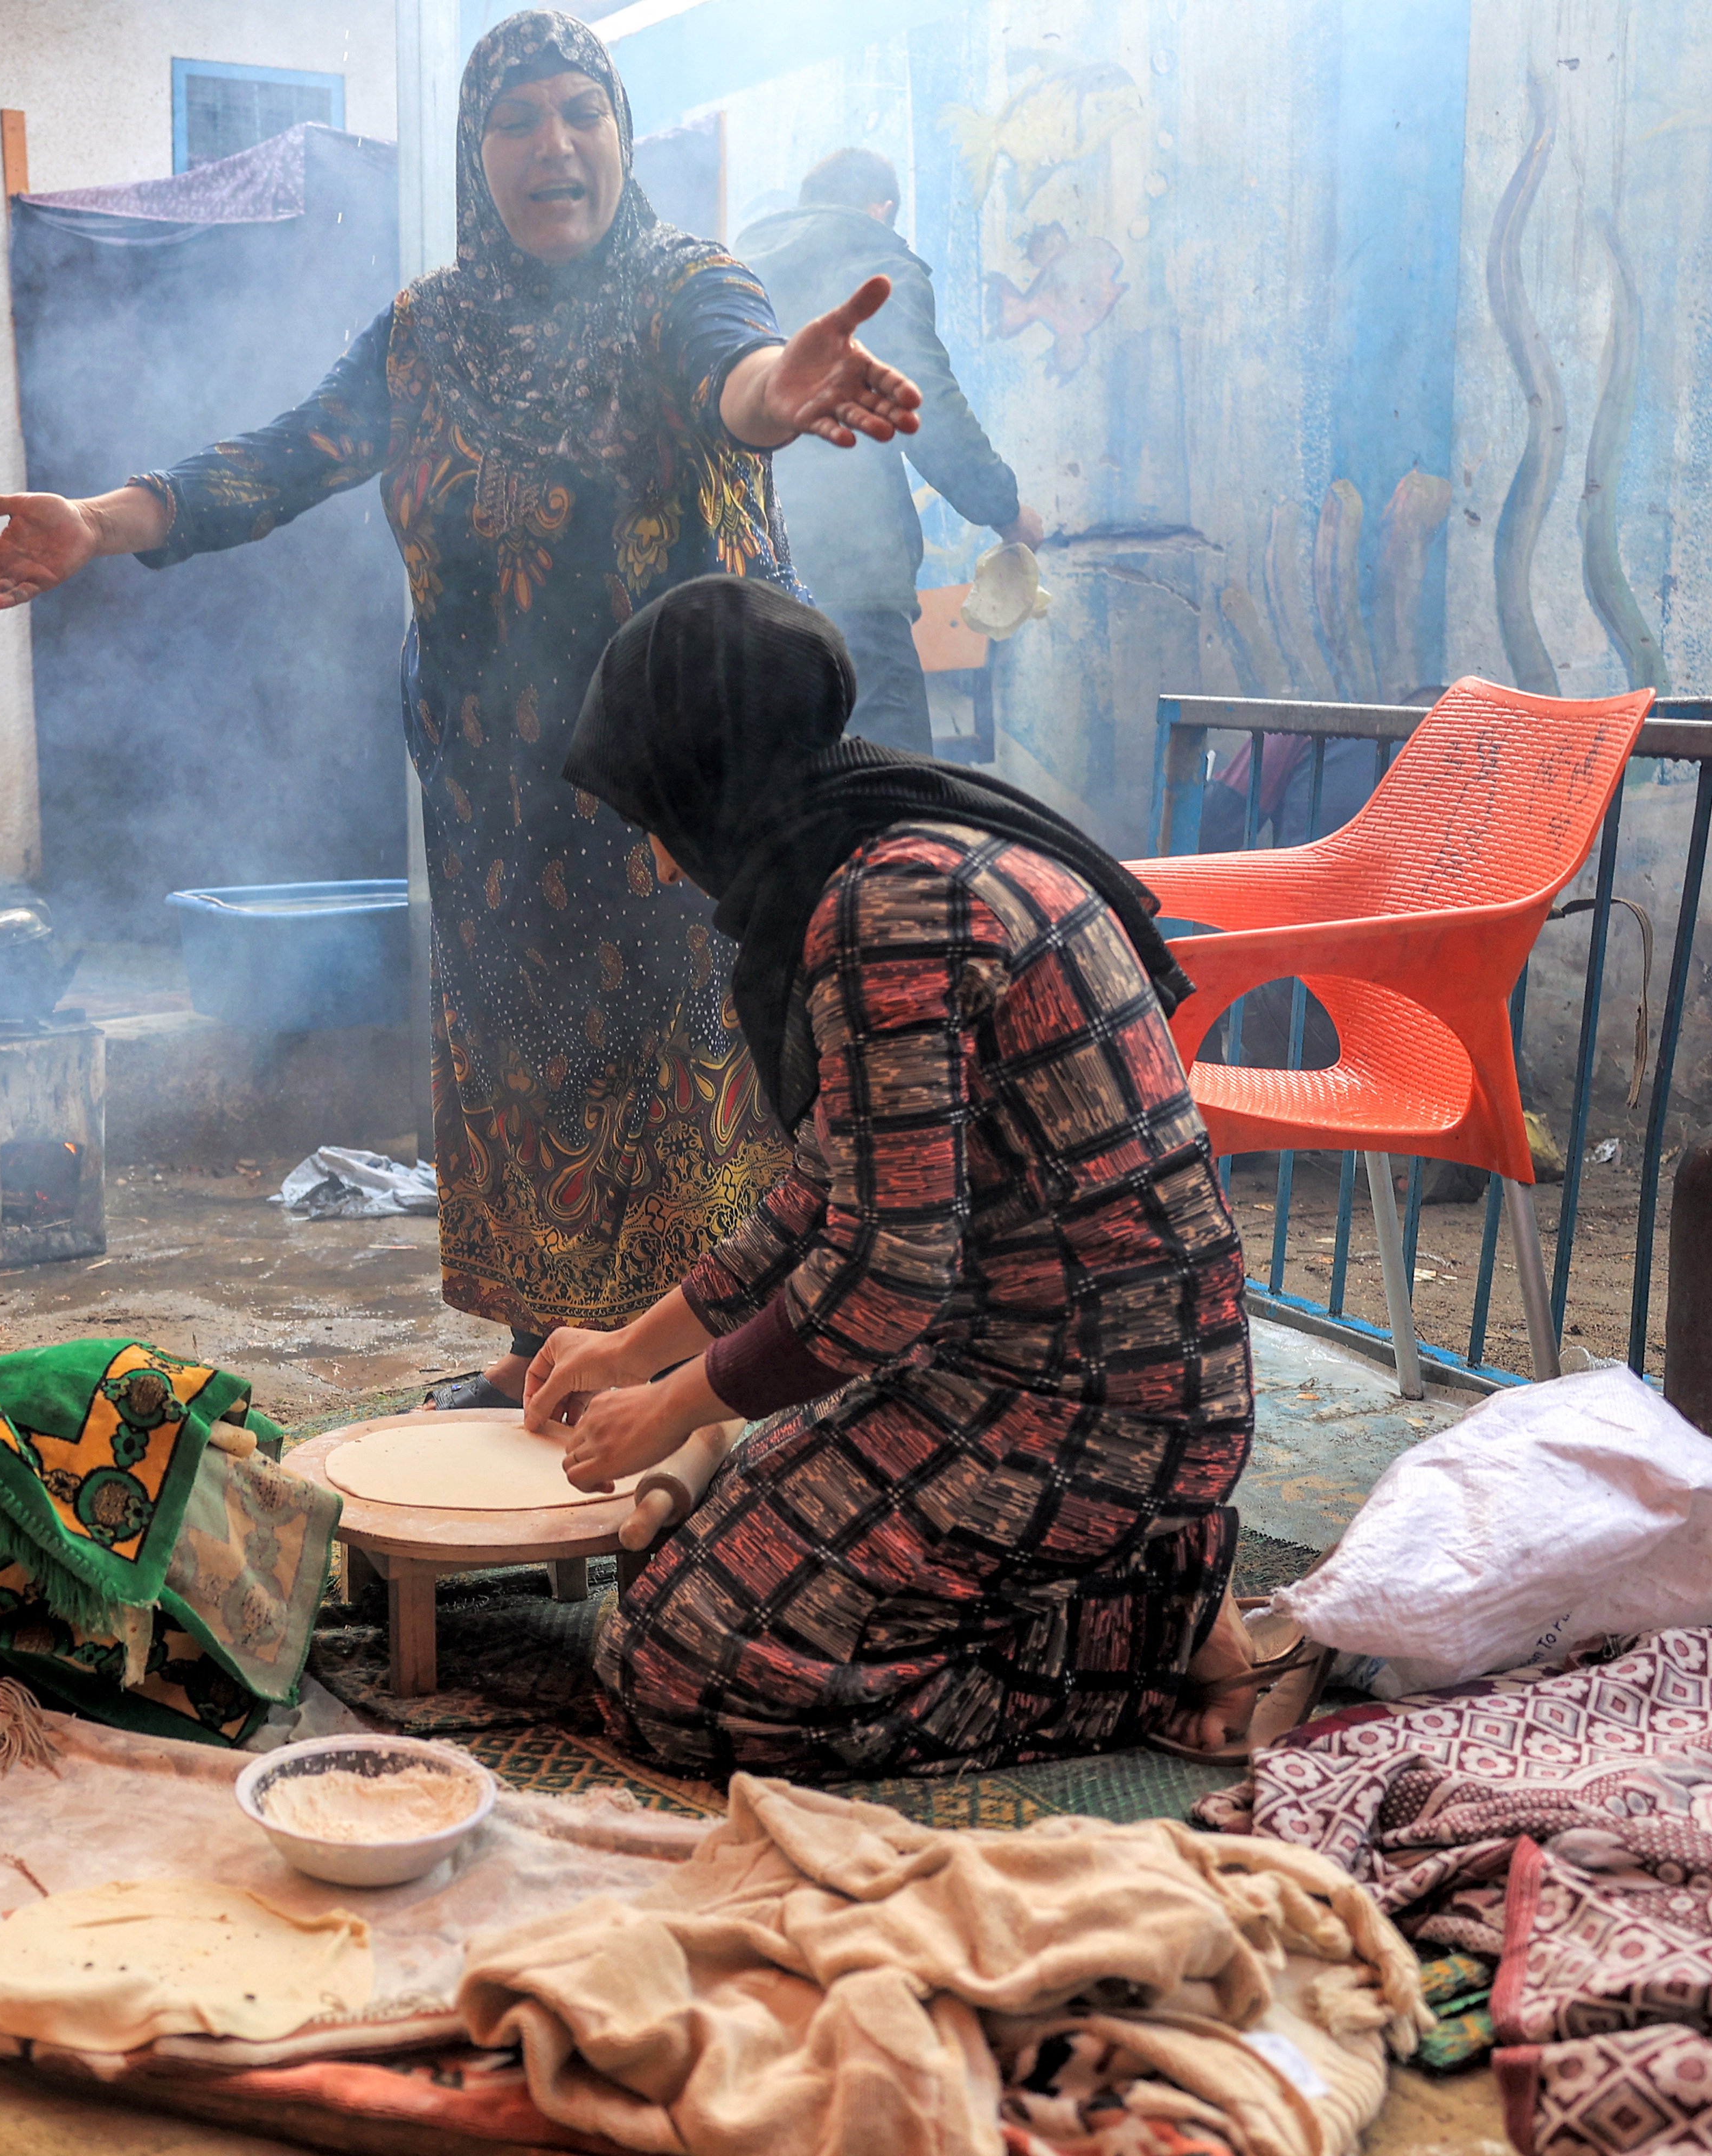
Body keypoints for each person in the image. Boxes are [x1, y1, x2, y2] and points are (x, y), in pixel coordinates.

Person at [0, 12, 925, 1411]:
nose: (553, 143)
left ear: (623, 137)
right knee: (519, 1087)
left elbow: (742, 380)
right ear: (478, 156)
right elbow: (281, 457)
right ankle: (538, 1361)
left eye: (581, 110)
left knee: (684, 1098)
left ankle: (702, 1395)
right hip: (495, 807)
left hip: (679, 815)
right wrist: (98, 521)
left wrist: (785, 388)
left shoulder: (685, 288)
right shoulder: (427, 335)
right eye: (516, 119)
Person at [525, 576, 1308, 1778]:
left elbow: (883, 1284)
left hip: (1104, 1407)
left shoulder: (893, 905)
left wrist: (676, 1405)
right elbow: (822, 1191)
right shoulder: (898, 855)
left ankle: (1152, 1619)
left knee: (677, 1672)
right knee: (687, 1570)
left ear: (705, 784)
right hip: (1028, 1363)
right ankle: (1147, 1576)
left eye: (649, 813)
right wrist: (632, 1348)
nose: (653, 853)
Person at [738, 147, 1043, 757]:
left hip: (747, 581)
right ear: (881, 208)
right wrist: (1006, 510)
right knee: (893, 804)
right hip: (854, 583)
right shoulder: (874, 260)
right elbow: (924, 407)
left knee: (781, 805)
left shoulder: (735, 275)